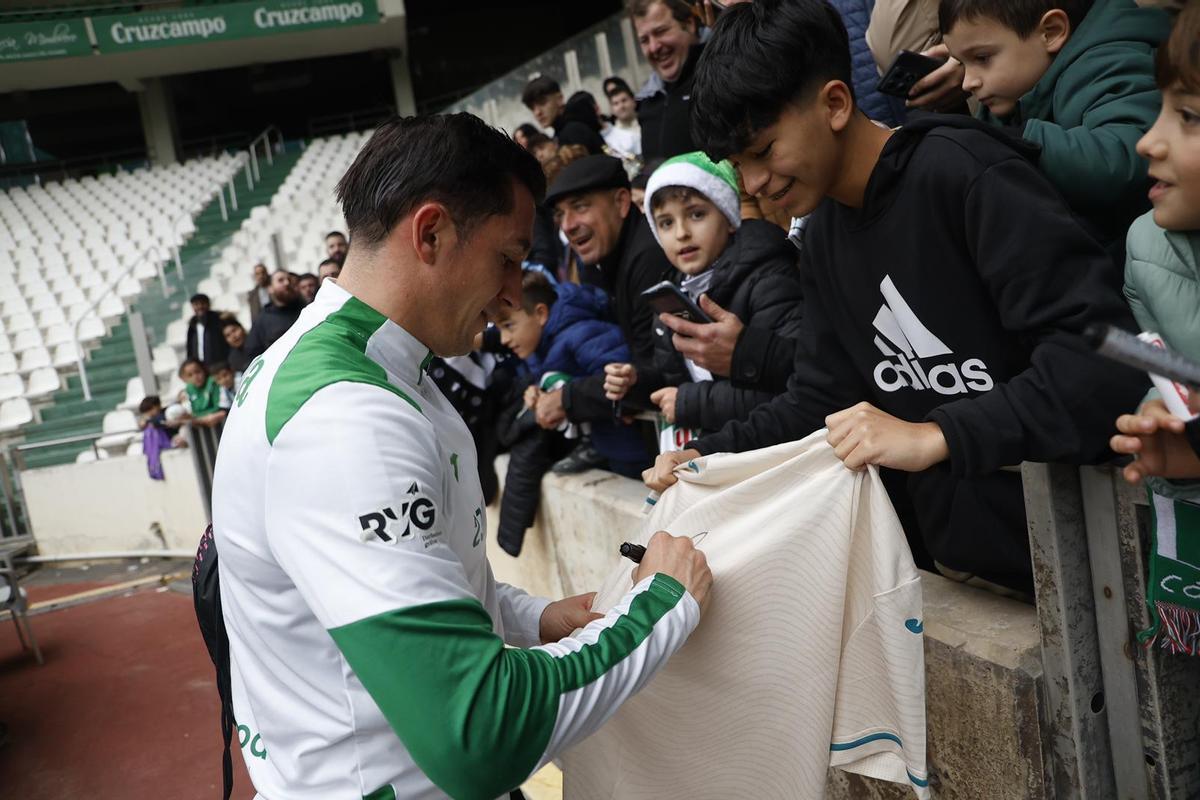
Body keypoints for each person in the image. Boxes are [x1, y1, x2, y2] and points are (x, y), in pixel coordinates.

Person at [211, 113, 711, 800]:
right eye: (507, 257)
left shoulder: (367, 366)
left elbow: (414, 575)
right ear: (431, 232)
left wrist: (529, 620)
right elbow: (478, 733)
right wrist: (660, 608)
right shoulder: (344, 416)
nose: (515, 290)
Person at [646, 0, 1149, 592]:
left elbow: (1104, 363)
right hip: (967, 575)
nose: (754, 185)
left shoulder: (965, 175)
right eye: (737, 165)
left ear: (835, 103)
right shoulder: (826, 233)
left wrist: (935, 435)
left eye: (763, 151)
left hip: (1098, 576)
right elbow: (819, 402)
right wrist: (709, 456)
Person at [941, 0, 1171, 256]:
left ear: (1051, 32)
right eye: (962, 64)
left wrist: (1017, 141)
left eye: (982, 58)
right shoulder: (1011, 94)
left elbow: (1125, 158)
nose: (967, 82)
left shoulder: (1112, 61)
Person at [606, 153, 804, 443]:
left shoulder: (768, 278)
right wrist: (636, 382)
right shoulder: (671, 293)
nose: (682, 234)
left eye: (696, 214)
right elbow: (674, 380)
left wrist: (691, 404)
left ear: (728, 218)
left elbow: (796, 386)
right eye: (665, 223)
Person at [535, 155, 674, 472]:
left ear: (622, 202)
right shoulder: (595, 261)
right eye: (560, 214)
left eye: (581, 207)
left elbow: (654, 372)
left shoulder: (648, 257)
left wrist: (568, 399)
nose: (567, 225)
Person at [495, 271, 649, 554]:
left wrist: (564, 398)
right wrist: (538, 393)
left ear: (540, 313)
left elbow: (625, 384)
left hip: (635, 452)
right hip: (610, 449)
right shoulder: (544, 345)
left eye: (508, 325)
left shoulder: (581, 333)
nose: (504, 339)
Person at [1112, 1, 1200, 488]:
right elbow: (1166, 377)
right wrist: (1184, 448)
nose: (1148, 141)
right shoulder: (1146, 247)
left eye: (1187, 114)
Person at [630, 0, 703, 162]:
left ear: (689, 24)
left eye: (661, 32)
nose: (654, 47)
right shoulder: (646, 101)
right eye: (644, 40)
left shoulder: (724, 77)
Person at [521, 75, 607, 154]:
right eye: (532, 108)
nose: (537, 112)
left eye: (542, 102)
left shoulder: (573, 131)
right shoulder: (562, 133)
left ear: (559, 99)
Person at [244, 268, 303, 359]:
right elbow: (253, 352)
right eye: (280, 280)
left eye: (289, 280)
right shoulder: (262, 320)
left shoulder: (305, 309)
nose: (287, 283)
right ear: (270, 288)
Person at [177, 359, 227, 429]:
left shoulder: (213, 382)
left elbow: (219, 408)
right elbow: (192, 412)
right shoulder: (188, 389)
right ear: (185, 378)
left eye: (197, 372)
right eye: (190, 375)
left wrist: (197, 418)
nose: (195, 377)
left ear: (204, 370)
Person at [185, 293, 230, 368]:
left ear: (208, 304)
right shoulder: (192, 326)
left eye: (202, 303)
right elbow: (190, 349)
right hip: (202, 370)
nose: (200, 307)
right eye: (196, 304)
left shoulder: (218, 320)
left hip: (220, 366)